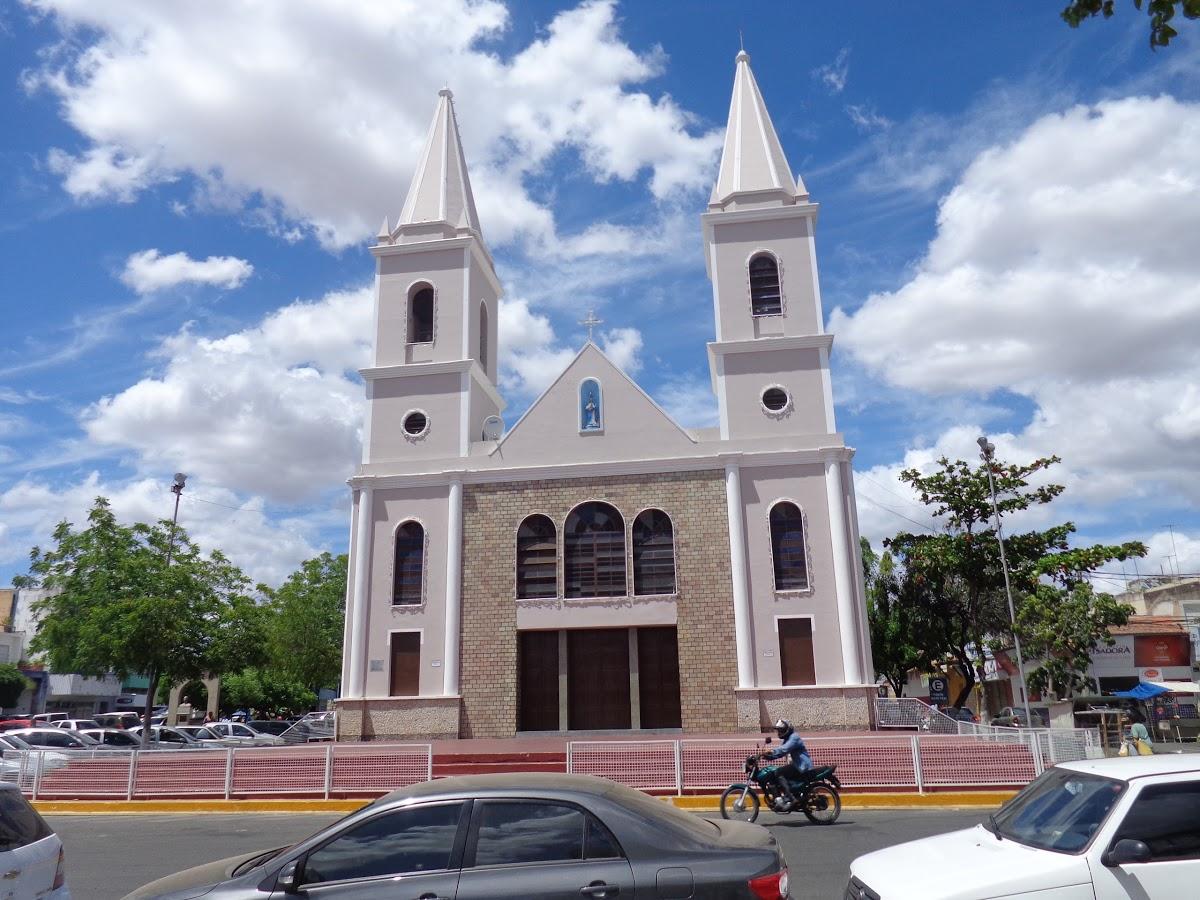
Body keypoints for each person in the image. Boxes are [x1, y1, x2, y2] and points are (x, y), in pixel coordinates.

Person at [763, 718, 813, 811]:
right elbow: (781, 752)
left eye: (781, 730)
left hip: (802, 766)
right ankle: (782, 798)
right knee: (774, 773)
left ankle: (791, 798)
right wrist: (768, 756)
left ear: (787, 729)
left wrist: (772, 751)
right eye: (778, 731)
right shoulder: (787, 739)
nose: (779, 733)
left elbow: (783, 749)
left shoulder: (794, 737)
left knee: (778, 772)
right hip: (797, 765)